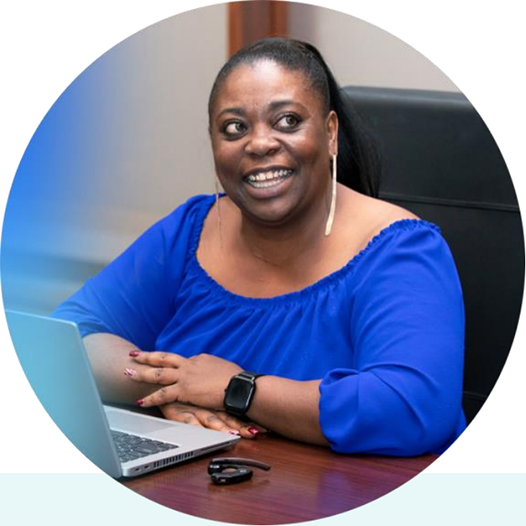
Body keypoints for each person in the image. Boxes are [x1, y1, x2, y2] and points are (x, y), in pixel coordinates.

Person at [54, 37, 466, 456]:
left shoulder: (401, 250)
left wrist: (237, 389)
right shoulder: (190, 229)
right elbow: (65, 340)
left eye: (287, 121)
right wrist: (177, 387)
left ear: (330, 133)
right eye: (234, 127)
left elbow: (411, 408)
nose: (259, 143)